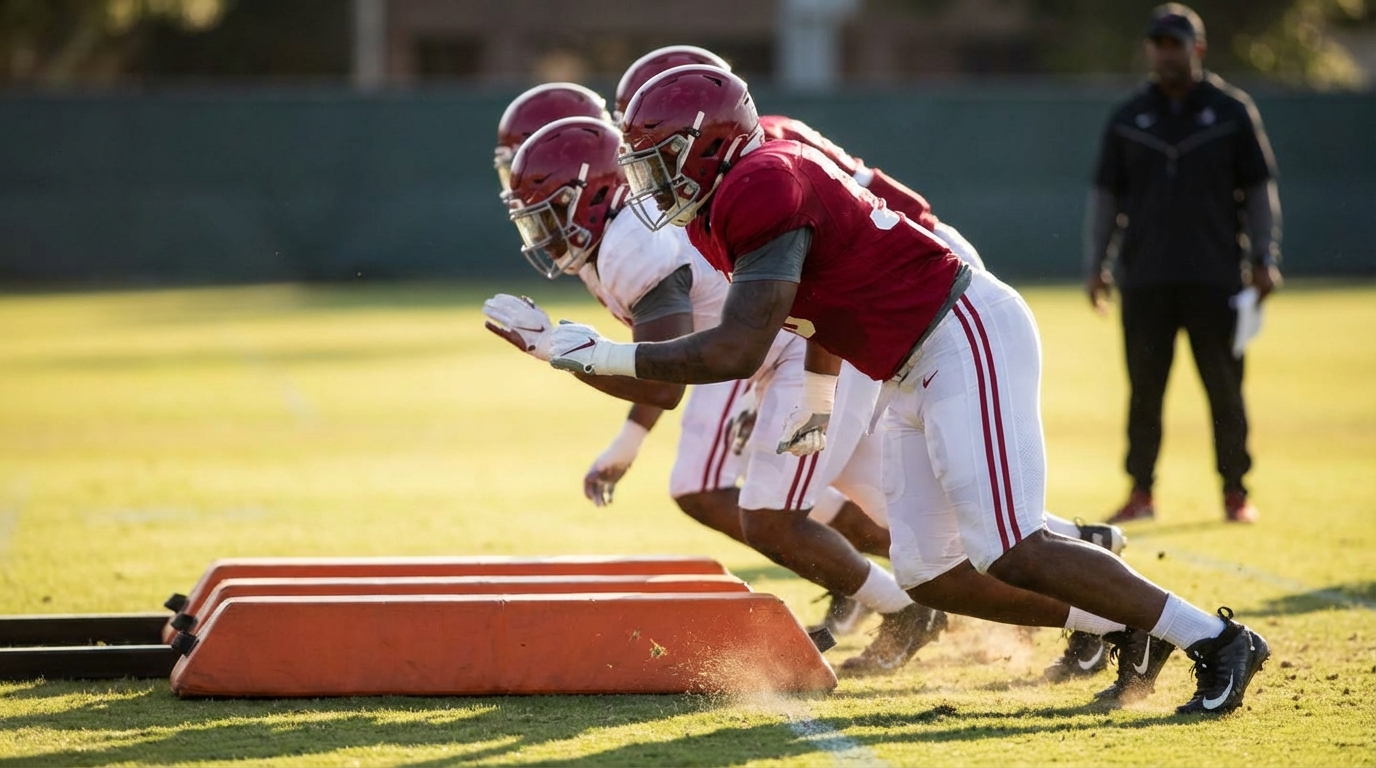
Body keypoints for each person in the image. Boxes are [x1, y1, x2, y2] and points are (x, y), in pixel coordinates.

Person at [548, 63, 1271, 714]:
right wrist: (817, 403)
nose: (650, 179)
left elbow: (737, 349)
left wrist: (598, 356)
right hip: (902, 364)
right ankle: (1122, 623)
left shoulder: (760, 181)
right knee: (930, 573)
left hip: (959, 333)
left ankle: (1216, 638)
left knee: (1008, 545)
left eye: (659, 159)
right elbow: (814, 312)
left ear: (705, 145)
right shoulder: (723, 204)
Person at [485, 113, 950, 675]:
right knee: (906, 511)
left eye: (554, 212)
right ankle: (1057, 567)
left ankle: (908, 606)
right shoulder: (617, 238)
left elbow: (661, 384)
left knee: (772, 517)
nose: (546, 232)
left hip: (805, 354)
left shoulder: (631, 247)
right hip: (787, 354)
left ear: (596, 191)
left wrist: (554, 351)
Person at [1086, 4, 1283, 525]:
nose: (1164, 52)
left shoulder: (1231, 111)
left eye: (1174, 43)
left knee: (1224, 389)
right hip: (1146, 278)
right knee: (1145, 390)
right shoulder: (1129, 117)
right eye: (1158, 42)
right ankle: (1140, 491)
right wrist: (1095, 265)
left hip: (1215, 276)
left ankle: (1235, 492)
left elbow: (1260, 191)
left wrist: (1265, 256)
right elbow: (1106, 197)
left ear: (1196, 48)